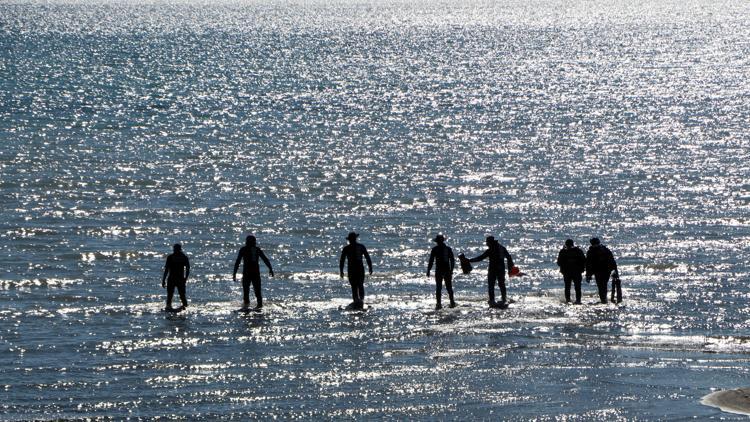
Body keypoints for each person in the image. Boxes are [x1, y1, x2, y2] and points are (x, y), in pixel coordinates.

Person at [468, 236, 514, 307]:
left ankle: (492, 301)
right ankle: (504, 299)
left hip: (493, 270)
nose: (487, 244)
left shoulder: (490, 250)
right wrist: (510, 268)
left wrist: (469, 260)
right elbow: (509, 257)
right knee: (501, 284)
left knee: (491, 285)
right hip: (501, 269)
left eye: (487, 243)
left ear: (490, 242)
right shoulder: (502, 248)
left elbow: (481, 258)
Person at [233, 235, 274, 309]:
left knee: (248, 293)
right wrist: (270, 269)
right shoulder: (256, 249)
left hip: (248, 274)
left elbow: (237, 262)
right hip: (254, 274)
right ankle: (258, 308)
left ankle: (247, 308)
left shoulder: (244, 249)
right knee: (257, 293)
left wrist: (234, 273)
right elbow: (265, 259)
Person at [339, 232, 373, 309]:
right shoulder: (357, 247)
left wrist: (370, 267)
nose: (352, 240)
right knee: (356, 286)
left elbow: (342, 260)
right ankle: (358, 301)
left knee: (358, 285)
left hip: (356, 269)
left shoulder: (349, 248)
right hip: (356, 269)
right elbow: (342, 260)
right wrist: (341, 271)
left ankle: (360, 301)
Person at [585, 237, 620, 304]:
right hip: (601, 271)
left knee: (602, 285)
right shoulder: (595, 251)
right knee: (602, 285)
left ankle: (603, 300)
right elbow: (588, 264)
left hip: (602, 271)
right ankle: (604, 299)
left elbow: (612, 262)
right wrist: (588, 274)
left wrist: (615, 272)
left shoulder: (600, 250)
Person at [426, 234, 456, 309]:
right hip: (446, 270)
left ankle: (439, 304)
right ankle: (451, 302)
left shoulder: (435, 249)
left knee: (439, 287)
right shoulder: (448, 249)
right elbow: (452, 260)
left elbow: (431, 261)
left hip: (439, 270)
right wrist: (451, 270)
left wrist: (428, 270)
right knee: (448, 287)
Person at [556, 239, 586, 304]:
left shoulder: (563, 251)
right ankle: (578, 300)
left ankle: (568, 300)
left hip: (568, 272)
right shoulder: (578, 251)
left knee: (568, 287)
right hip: (576, 272)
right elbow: (584, 261)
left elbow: (559, 262)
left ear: (566, 244)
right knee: (577, 287)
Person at [162, 243, 190, 311]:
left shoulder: (180, 257)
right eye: (175, 249)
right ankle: (170, 307)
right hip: (175, 279)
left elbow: (187, 269)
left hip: (177, 279)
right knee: (171, 295)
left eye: (176, 249)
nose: (175, 251)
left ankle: (183, 307)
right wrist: (163, 280)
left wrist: (185, 278)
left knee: (181, 295)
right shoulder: (183, 257)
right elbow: (167, 269)